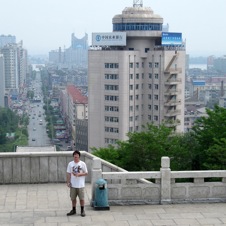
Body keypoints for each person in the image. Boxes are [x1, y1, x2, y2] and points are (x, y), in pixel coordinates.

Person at [66, 150, 88, 217]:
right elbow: (68, 173)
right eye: (75, 157)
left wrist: (79, 174)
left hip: (80, 184)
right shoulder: (70, 164)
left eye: (77, 157)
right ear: (73, 157)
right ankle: (73, 209)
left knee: (81, 198)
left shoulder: (82, 164)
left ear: (79, 157)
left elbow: (86, 173)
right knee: (73, 198)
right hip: (73, 184)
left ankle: (82, 210)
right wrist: (68, 182)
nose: (76, 158)